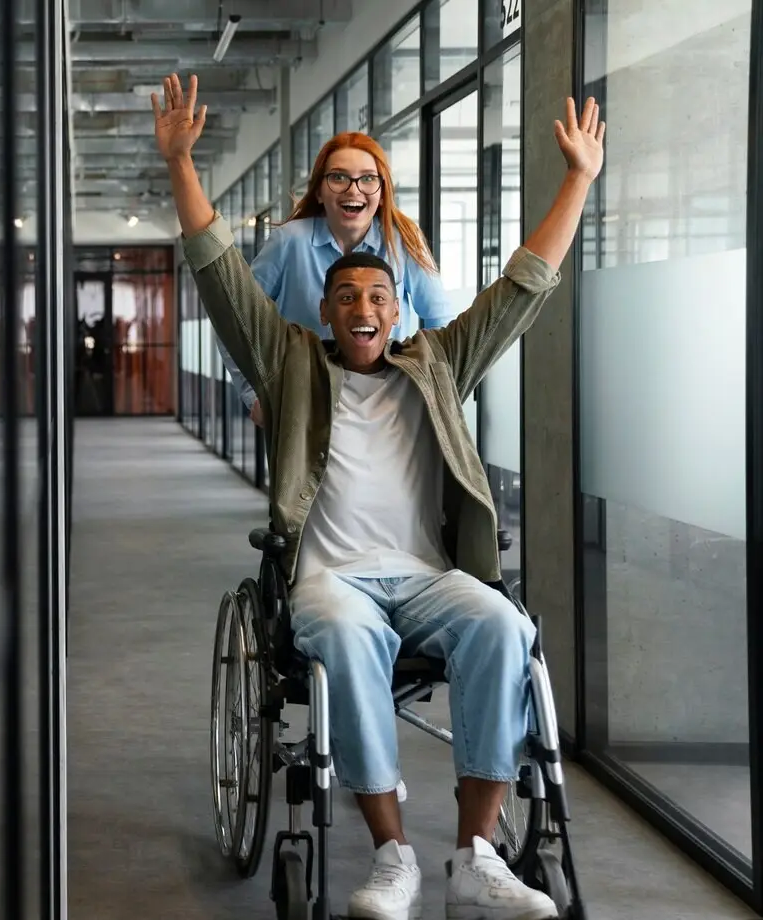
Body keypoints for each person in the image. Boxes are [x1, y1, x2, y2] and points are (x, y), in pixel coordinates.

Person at [152, 73, 603, 920]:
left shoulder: (435, 366)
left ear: (398, 314)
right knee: (350, 638)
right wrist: (180, 163)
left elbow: (521, 291)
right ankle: (392, 855)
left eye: (379, 298)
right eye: (347, 297)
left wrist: (578, 179)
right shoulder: (291, 364)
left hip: (427, 576)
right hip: (332, 580)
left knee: (504, 625)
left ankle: (474, 853)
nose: (364, 308)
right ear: (324, 310)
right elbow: (219, 274)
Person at [224, 134, 458, 430]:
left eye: (368, 179)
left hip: (390, 407)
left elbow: (442, 325)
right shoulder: (289, 242)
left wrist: (431, 391)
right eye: (338, 178)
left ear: (382, 191)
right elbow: (234, 319)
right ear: (320, 191)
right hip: (307, 407)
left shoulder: (404, 242)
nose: (354, 190)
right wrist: (254, 394)